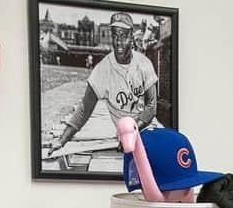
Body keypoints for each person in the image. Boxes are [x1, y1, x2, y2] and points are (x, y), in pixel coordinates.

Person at [49, 12, 158, 155]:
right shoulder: (103, 69)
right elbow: (84, 109)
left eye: (123, 35)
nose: (118, 42)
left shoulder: (143, 63)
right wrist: (62, 140)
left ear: (132, 37)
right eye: (115, 35)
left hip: (147, 127)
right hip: (123, 135)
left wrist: (133, 132)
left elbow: (151, 107)